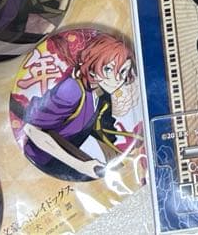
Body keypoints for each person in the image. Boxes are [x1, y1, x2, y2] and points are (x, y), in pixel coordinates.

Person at [19, 34, 136, 181]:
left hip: (67, 158)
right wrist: (80, 165)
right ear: (92, 68)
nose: (118, 79)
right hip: (43, 159)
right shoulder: (72, 89)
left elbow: (99, 129)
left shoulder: (99, 95)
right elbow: (31, 129)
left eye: (123, 71)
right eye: (108, 69)